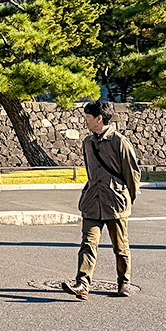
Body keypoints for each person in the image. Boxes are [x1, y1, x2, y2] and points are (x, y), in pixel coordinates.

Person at [62, 99, 141, 300]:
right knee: (88, 243)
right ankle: (82, 283)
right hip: (92, 201)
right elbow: (90, 171)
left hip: (115, 201)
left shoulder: (119, 142)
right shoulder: (88, 142)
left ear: (99, 118)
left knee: (120, 246)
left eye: (88, 117)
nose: (85, 121)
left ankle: (124, 282)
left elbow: (132, 173)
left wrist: (127, 197)